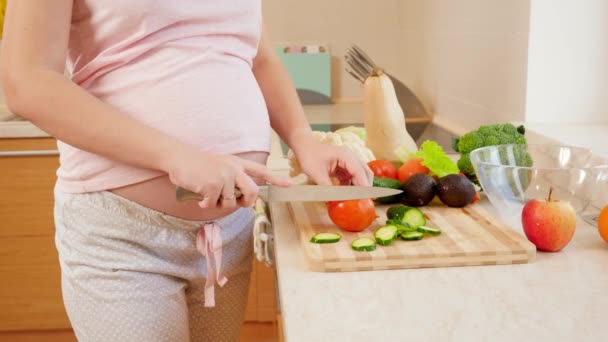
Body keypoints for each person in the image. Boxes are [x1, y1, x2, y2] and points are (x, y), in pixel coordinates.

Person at [0, 1, 372, 341]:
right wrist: (178, 156)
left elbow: (258, 58)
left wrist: (303, 139)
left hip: (226, 233)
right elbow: (26, 80)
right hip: (124, 236)